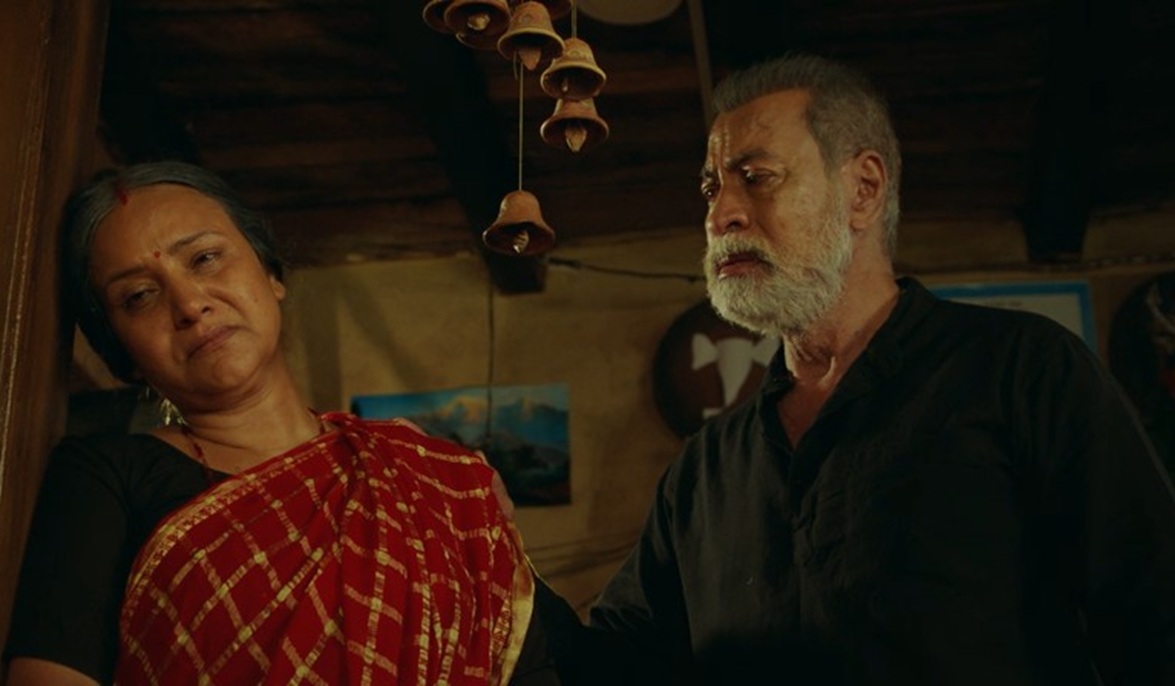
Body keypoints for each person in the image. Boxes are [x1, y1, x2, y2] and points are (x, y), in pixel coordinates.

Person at [535, 53, 1175, 684]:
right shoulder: (704, 473)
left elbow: (1155, 618)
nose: (718, 215)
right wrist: (496, 559)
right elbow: (611, 671)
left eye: (755, 176)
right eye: (711, 187)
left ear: (863, 190)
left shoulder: (1023, 372)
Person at [4, 162, 556, 685]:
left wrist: (473, 504)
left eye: (204, 258)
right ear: (121, 353)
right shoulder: (105, 478)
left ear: (271, 275)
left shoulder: (434, 480)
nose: (190, 304)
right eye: (139, 296)